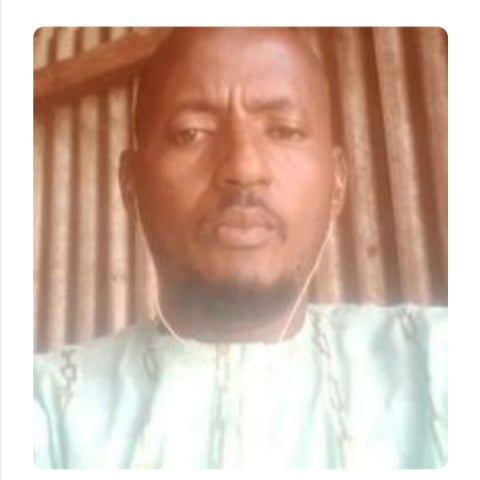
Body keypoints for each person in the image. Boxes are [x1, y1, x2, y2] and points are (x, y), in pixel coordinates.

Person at [34, 27, 447, 469]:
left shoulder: (438, 363)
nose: (244, 168)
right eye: (191, 133)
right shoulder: (46, 408)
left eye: (284, 130)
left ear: (337, 183)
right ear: (131, 186)